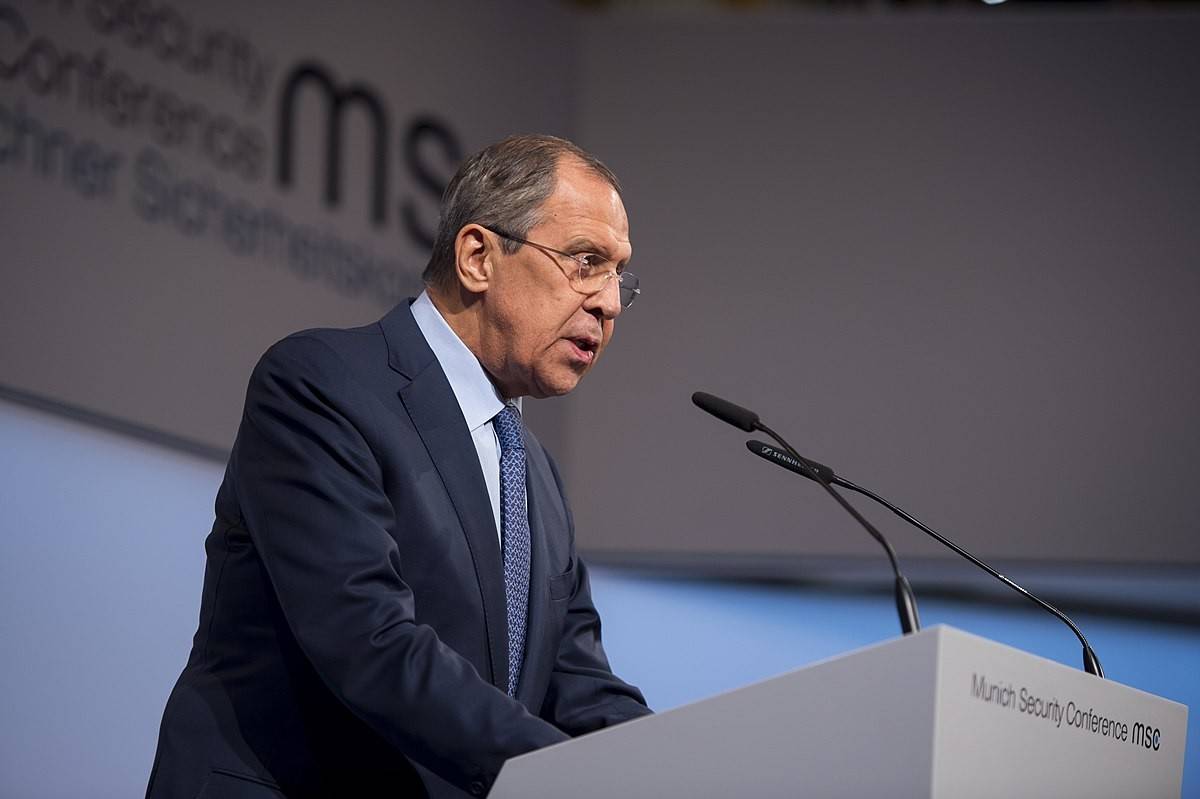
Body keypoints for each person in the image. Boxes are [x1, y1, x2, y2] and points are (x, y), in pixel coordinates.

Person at [146, 134, 651, 799]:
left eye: (618, 276)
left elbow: (578, 684)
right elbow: (369, 639)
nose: (608, 302)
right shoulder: (321, 385)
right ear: (478, 257)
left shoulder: (536, 476)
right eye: (586, 262)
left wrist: (676, 771)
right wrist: (572, 778)